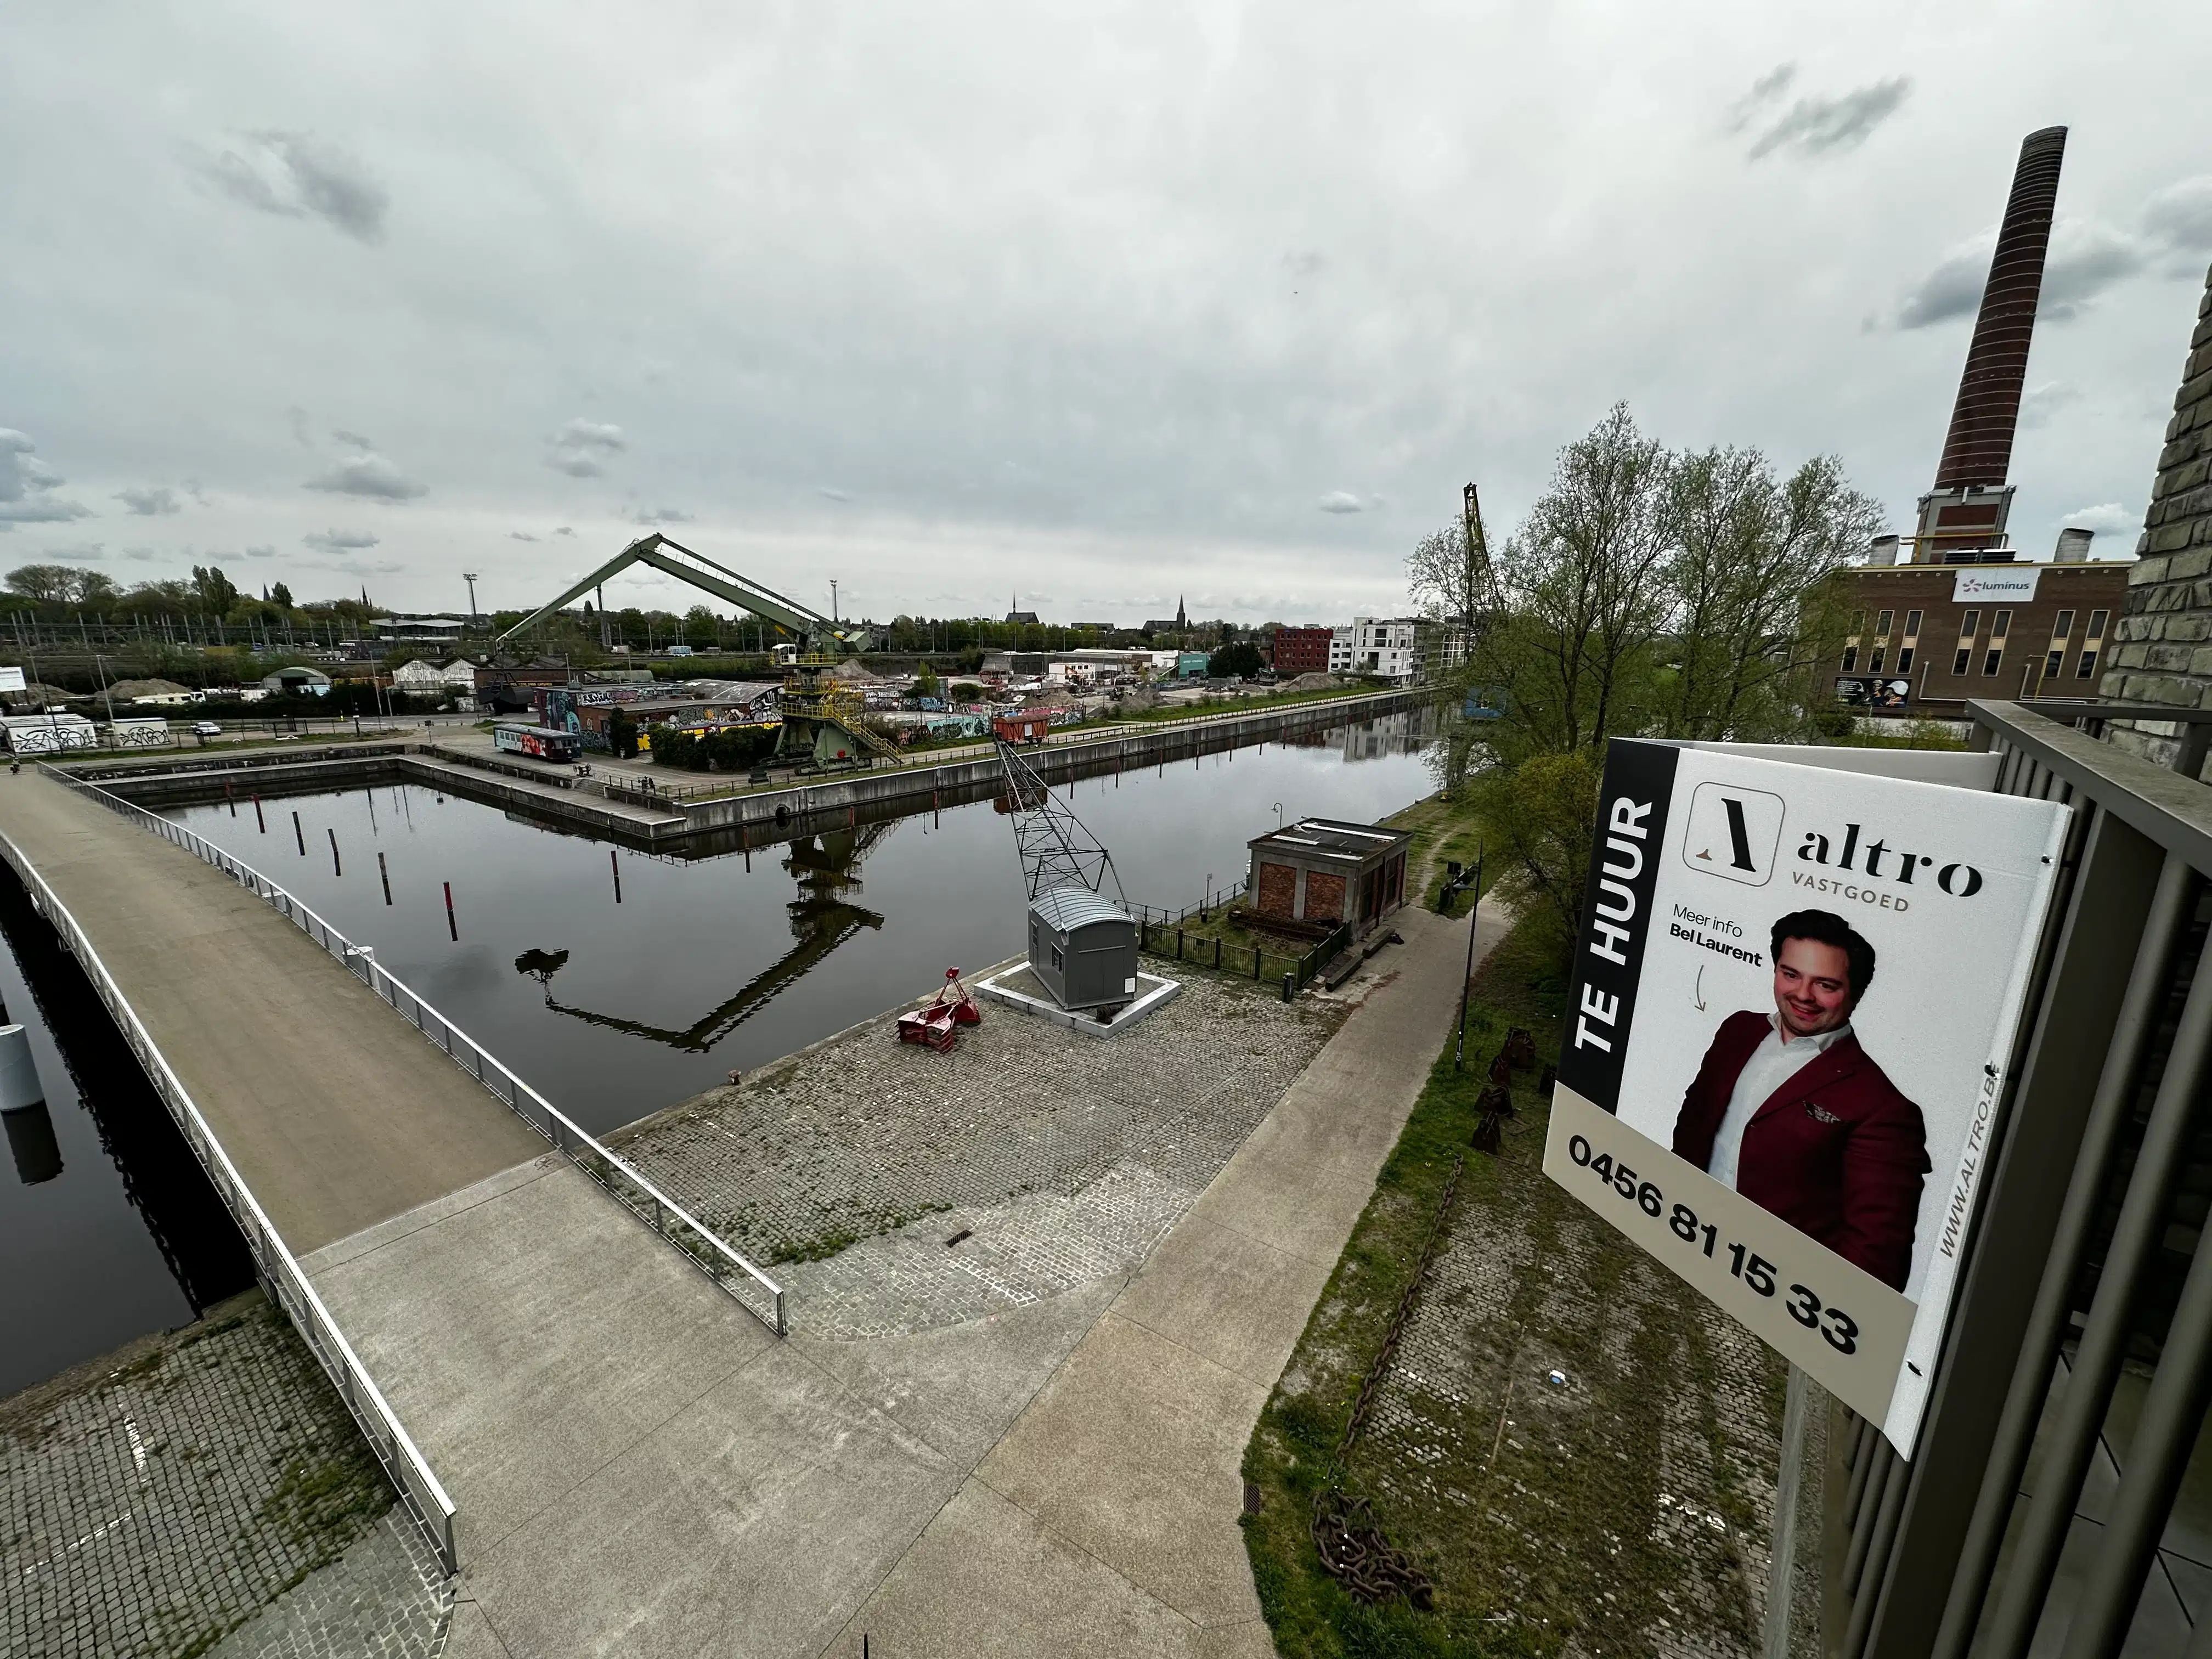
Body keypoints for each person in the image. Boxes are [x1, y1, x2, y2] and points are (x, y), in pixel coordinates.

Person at [1671, 909, 1928, 1291]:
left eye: (1826, 984)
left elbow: (1875, 1260)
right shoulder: (1739, 1030)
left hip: (1765, 1293)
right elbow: (1694, 1123)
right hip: (1678, 1239)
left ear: (1855, 994)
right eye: (1791, 975)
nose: (1803, 995)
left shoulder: (1883, 1107)